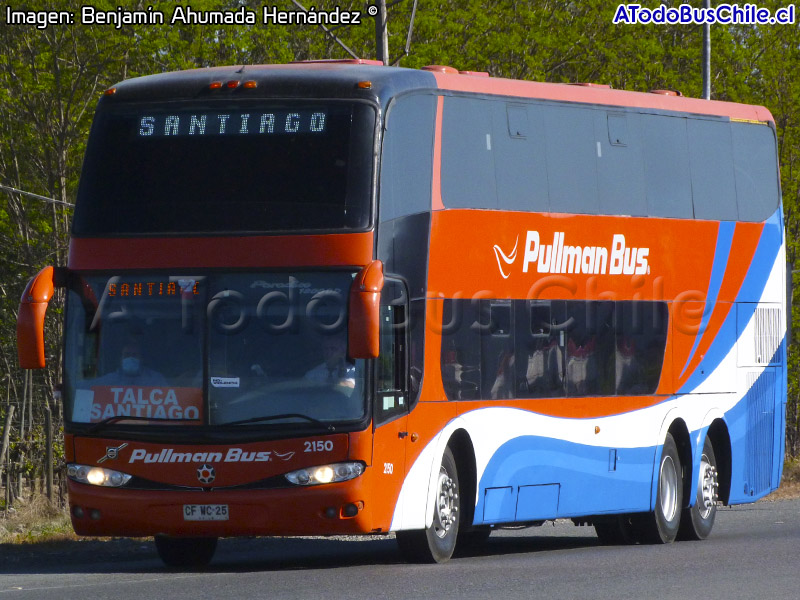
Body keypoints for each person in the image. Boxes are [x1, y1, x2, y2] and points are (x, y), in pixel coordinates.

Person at [91, 338, 168, 387]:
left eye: (134, 355)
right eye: (127, 355)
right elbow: (87, 388)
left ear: (142, 358)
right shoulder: (109, 380)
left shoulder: (156, 379)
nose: (130, 358)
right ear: (120, 359)